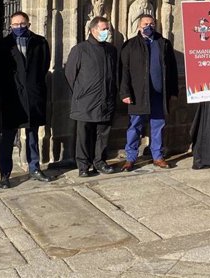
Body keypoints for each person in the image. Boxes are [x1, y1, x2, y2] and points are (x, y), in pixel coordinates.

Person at [0, 11, 52, 188]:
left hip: (33, 95)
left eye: (22, 24)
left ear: (28, 24)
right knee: (8, 137)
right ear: (10, 26)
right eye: (15, 25)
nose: (19, 27)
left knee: (32, 134)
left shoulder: (40, 42)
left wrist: (34, 85)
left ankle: (34, 168)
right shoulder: (4, 45)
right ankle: (5, 174)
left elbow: (44, 66)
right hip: (12, 97)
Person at [120, 14, 179, 171]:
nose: (149, 26)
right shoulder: (130, 45)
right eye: (145, 23)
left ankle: (158, 156)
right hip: (138, 94)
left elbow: (172, 69)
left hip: (159, 94)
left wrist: (173, 92)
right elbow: (124, 71)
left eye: (152, 24)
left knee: (158, 125)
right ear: (139, 26)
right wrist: (125, 93)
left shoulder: (163, 44)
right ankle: (131, 158)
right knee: (135, 125)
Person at [65, 16, 118, 177]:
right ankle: (83, 165)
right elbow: (70, 75)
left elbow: (115, 73)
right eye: (103, 29)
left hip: (105, 100)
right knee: (84, 135)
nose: (106, 32)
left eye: (107, 29)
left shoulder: (111, 50)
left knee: (103, 134)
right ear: (92, 30)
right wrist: (81, 93)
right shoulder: (80, 49)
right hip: (85, 101)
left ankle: (99, 161)